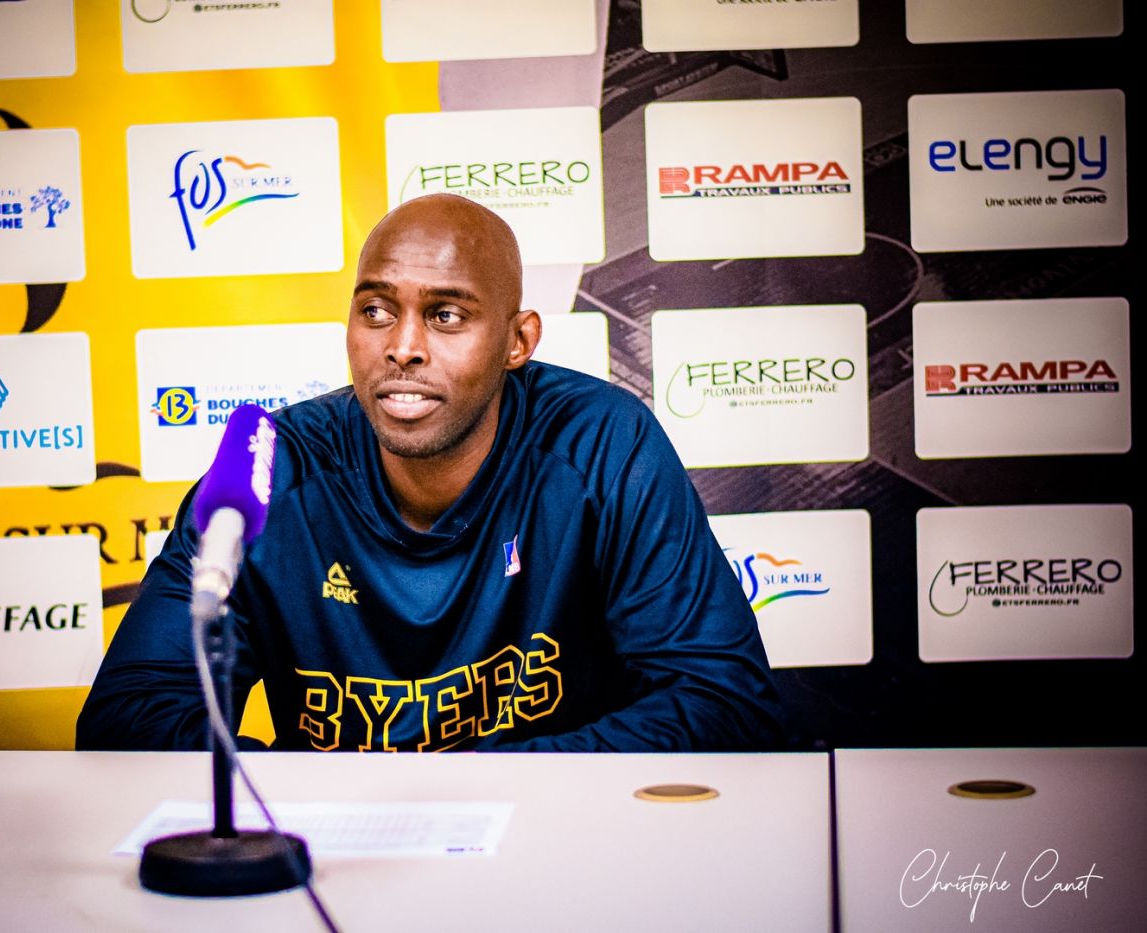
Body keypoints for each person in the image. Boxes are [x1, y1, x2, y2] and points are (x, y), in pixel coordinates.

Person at [77, 193, 782, 752]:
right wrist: (326, 802)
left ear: (518, 341)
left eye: (445, 315)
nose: (403, 347)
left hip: (551, 846)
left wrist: (469, 789)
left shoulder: (601, 443)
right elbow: (128, 717)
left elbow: (723, 701)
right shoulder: (271, 468)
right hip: (340, 861)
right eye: (376, 311)